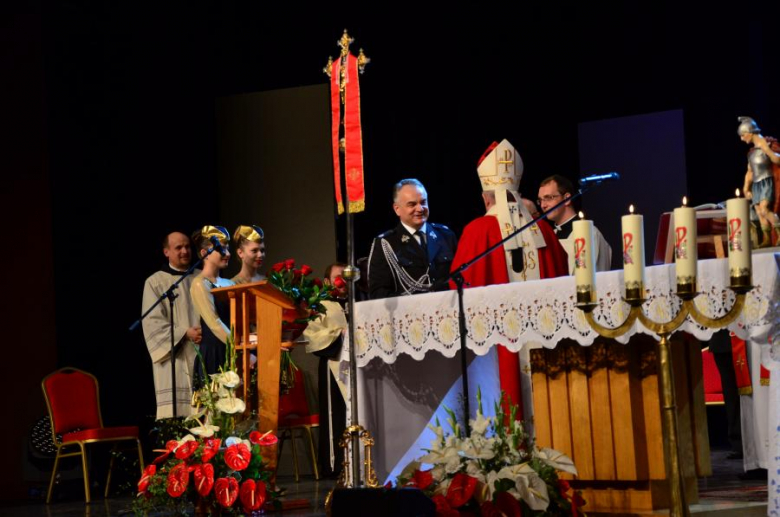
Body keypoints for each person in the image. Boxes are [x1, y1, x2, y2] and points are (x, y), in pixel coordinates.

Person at [450, 140, 569, 413]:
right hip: (546, 343)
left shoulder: (477, 231)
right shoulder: (545, 232)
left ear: (486, 197)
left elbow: (460, 287)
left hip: (498, 350)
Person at [142, 232, 202, 419]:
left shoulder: (203, 278)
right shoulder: (155, 282)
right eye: (178, 248)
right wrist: (184, 333)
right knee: (179, 420)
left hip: (203, 352)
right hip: (175, 357)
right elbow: (152, 323)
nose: (185, 251)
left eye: (187, 247)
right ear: (166, 252)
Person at [368, 178, 458, 299]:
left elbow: (460, 278)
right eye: (412, 204)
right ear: (397, 209)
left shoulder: (446, 235)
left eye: (423, 202)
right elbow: (378, 294)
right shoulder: (386, 243)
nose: (420, 209)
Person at [303, 263, 348, 477]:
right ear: (328, 281)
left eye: (347, 277)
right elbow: (314, 335)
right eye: (339, 277)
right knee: (337, 417)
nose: (344, 282)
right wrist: (340, 335)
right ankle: (336, 466)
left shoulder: (358, 302)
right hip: (334, 367)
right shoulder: (321, 305)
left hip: (360, 369)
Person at [190, 226, 235, 388]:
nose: (228, 254)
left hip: (230, 350)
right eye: (221, 249)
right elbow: (214, 322)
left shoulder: (229, 283)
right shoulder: (200, 283)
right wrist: (238, 347)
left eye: (227, 248)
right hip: (214, 354)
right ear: (204, 253)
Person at [538, 174, 612, 272]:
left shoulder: (588, 234)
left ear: (567, 199)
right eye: (540, 200)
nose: (543, 205)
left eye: (548, 198)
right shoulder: (550, 236)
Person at [738, 116, 780, 247]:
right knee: (759, 213)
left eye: (743, 135)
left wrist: (767, 150)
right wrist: (746, 188)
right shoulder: (751, 152)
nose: (742, 138)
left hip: (766, 181)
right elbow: (749, 172)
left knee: (764, 210)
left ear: (750, 132)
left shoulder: (766, 144)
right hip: (756, 184)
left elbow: (777, 160)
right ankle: (767, 239)